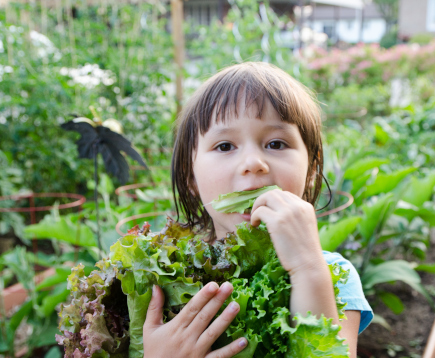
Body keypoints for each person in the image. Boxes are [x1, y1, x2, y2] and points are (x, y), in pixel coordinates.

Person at [143, 62, 373, 358]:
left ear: (312, 170)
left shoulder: (332, 275)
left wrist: (307, 269)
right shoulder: (165, 278)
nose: (254, 162)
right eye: (225, 146)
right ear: (191, 178)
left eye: (276, 143)